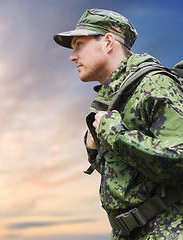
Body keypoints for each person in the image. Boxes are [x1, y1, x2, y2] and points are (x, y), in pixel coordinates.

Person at [53, 9, 183, 240]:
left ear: (108, 42)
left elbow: (179, 160)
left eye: (79, 44)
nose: (73, 56)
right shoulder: (116, 98)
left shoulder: (155, 84)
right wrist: (95, 151)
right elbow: (136, 177)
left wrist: (113, 133)